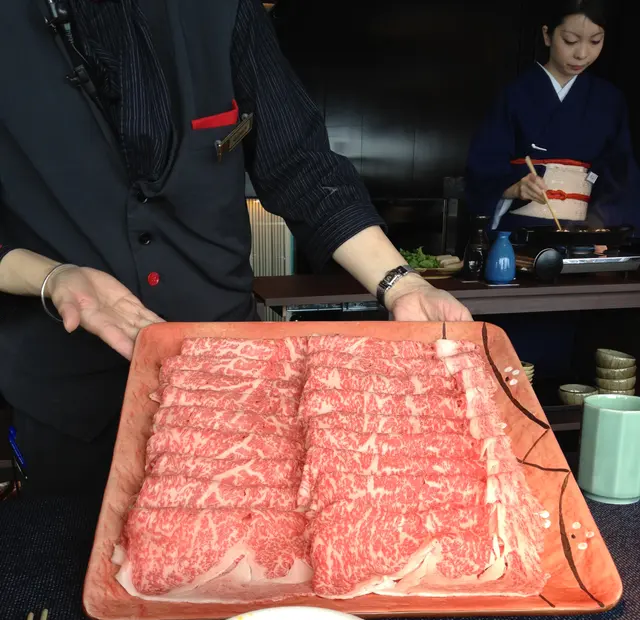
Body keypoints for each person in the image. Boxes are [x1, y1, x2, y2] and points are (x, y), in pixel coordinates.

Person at [0, 0, 470, 493]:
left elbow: (299, 163)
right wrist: (52, 277)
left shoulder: (224, 10)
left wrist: (402, 284)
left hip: (227, 370)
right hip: (67, 385)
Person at [465, 0, 640, 233]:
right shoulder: (514, 95)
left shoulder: (609, 101)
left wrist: (601, 224)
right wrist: (515, 188)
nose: (582, 54)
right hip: (521, 231)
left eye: (595, 41)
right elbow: (483, 170)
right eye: (570, 41)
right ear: (547, 35)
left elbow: (620, 175)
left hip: (585, 233)